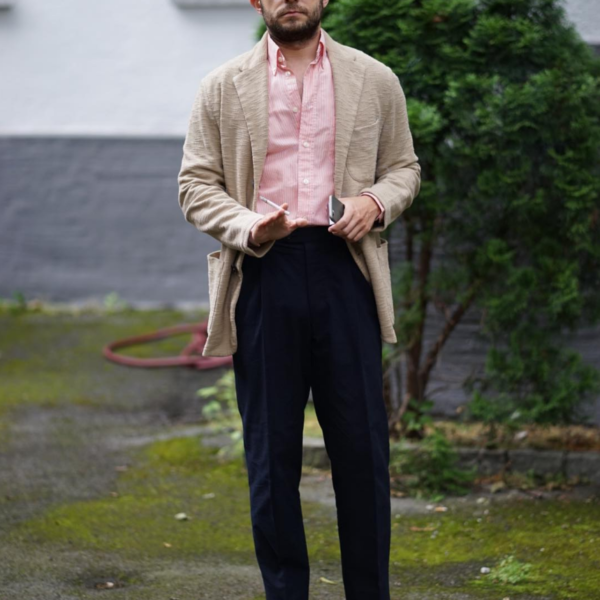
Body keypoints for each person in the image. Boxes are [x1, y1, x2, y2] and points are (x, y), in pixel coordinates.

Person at [177, 1, 421, 598]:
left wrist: (374, 202)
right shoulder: (221, 86)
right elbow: (195, 185)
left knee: (362, 450)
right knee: (271, 453)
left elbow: (404, 168)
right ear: (256, 2)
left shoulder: (374, 78)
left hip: (346, 269)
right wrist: (248, 225)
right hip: (265, 270)